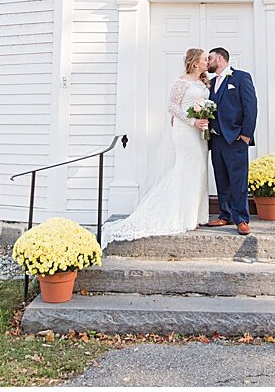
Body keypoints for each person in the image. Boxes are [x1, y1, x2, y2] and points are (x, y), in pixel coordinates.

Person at [100, 48, 211, 247]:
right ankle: (183, 216)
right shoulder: (181, 82)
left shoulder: (203, 82)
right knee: (187, 168)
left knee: (199, 169)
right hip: (185, 130)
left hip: (199, 131)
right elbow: (172, 106)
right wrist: (192, 121)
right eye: (204, 59)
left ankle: (195, 215)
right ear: (195, 63)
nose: (207, 61)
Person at [202, 46, 257, 235]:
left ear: (220, 59)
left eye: (209, 58)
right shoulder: (209, 83)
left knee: (238, 180)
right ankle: (224, 215)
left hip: (236, 139)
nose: (207, 62)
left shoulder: (241, 77)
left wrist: (246, 135)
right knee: (221, 178)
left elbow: (250, 107)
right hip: (216, 139)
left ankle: (241, 219)